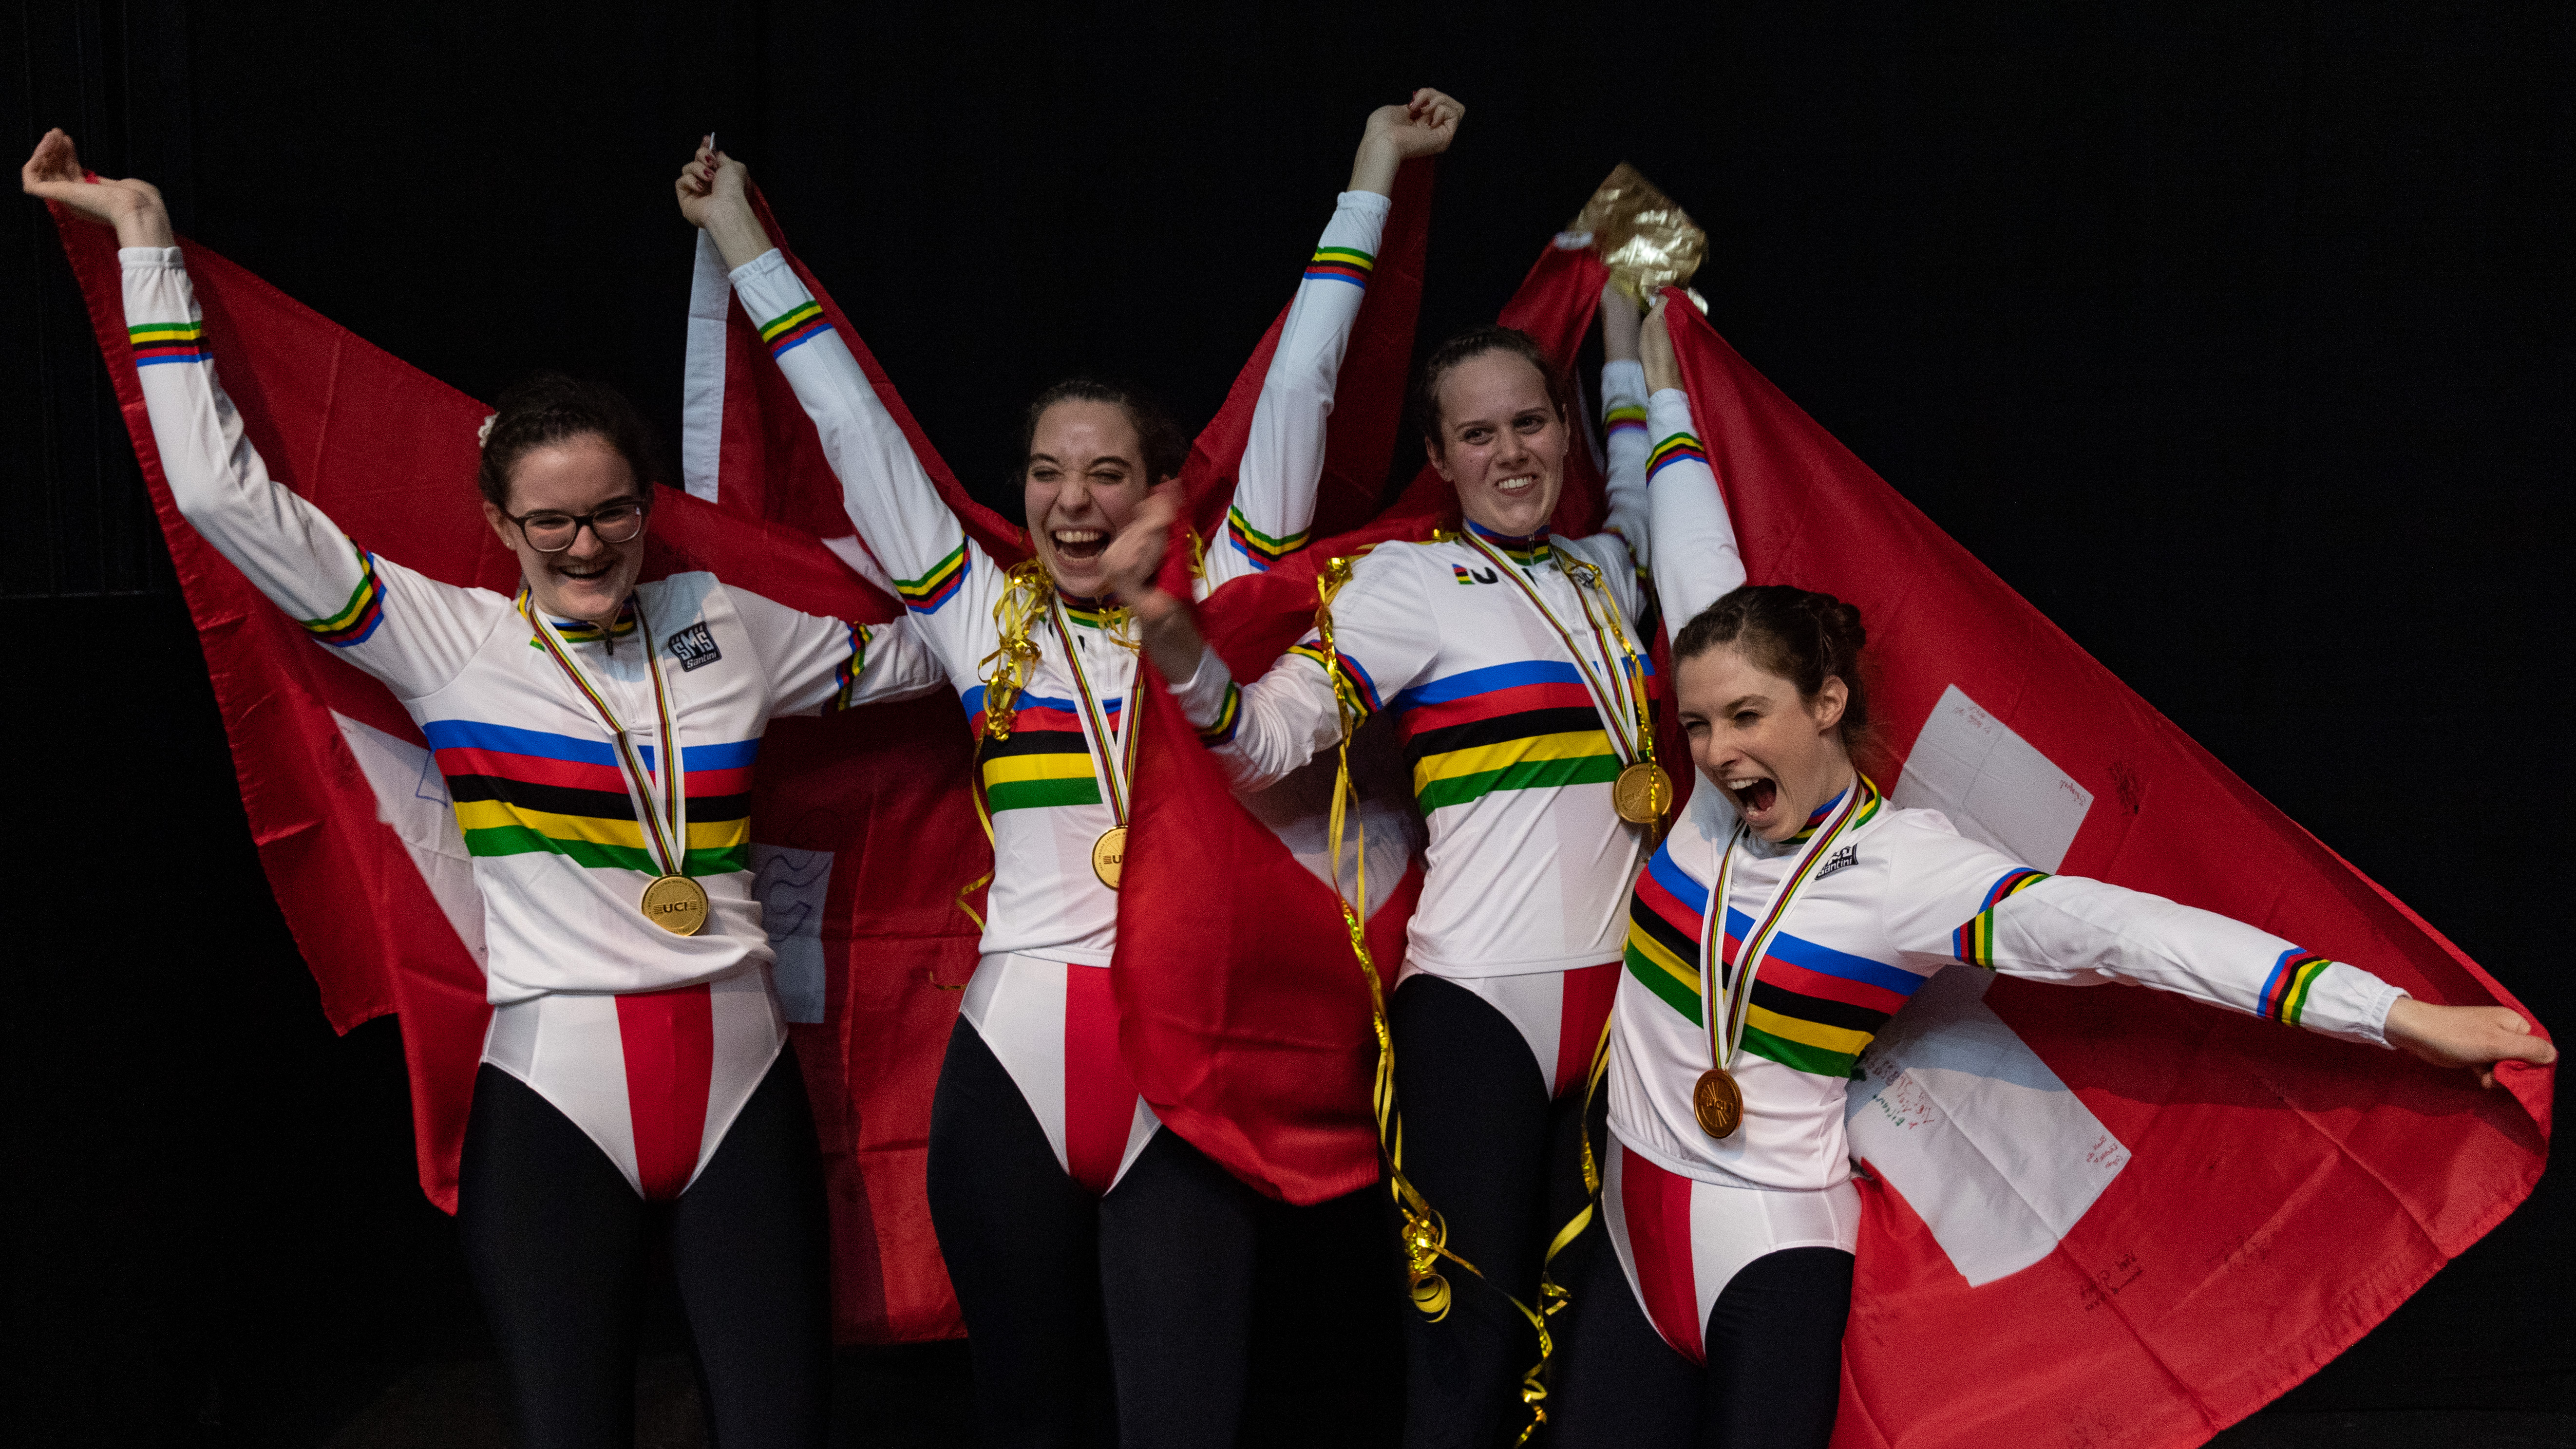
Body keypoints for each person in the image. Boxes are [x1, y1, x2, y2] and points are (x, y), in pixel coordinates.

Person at [24, 129, 959, 1449]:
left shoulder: (727, 620)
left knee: (780, 1428)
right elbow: (225, 500)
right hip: (554, 1095)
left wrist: (1093, 594)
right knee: (568, 1427)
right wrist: (147, 243)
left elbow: (944, 641)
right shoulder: (448, 639)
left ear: (647, 504)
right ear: (498, 520)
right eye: (552, 523)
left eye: (614, 513)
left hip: (742, 1085)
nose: (588, 547)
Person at [1539, 382, 2558, 1446]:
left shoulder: (1909, 874)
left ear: (1826, 701)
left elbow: (2138, 937)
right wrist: (1650, 360)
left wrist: (2399, 1014)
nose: (1713, 750)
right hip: (1626, 1230)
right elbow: (1694, 545)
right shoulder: (1711, 797)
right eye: (1696, 723)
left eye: (1746, 716)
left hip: (1769, 1255)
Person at [675, 92, 1465, 1448]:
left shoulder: (1225, 600)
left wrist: (1372, 175)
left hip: (1188, 1073)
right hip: (1011, 1076)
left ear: (1164, 492)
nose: (1071, 502)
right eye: (1047, 475)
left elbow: (1304, 392)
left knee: (1184, 1422)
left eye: (1106, 474)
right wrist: (740, 234)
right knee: (1025, 1415)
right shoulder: (989, 626)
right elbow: (858, 434)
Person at [1100, 291, 1740, 1444]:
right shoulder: (1402, 588)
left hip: (1629, 1019)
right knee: (1468, 1364)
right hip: (1476, 1015)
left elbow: (1642, 479)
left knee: (1604, 1356)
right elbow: (1258, 744)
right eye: (1479, 435)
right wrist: (1166, 624)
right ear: (1439, 459)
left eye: (1532, 425)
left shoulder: (1611, 569)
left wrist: (1630, 339)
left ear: (1562, 430)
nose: (1512, 454)